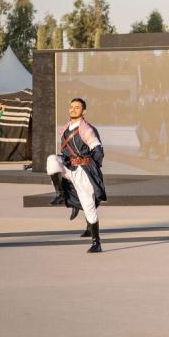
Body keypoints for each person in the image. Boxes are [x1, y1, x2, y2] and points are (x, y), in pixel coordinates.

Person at [46, 98, 106, 253]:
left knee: (89, 205)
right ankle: (59, 193)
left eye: (77, 107)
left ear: (83, 111)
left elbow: (98, 150)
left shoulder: (86, 129)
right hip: (69, 167)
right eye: (71, 107)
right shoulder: (65, 128)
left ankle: (96, 242)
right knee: (52, 160)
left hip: (83, 171)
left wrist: (93, 168)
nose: (73, 109)